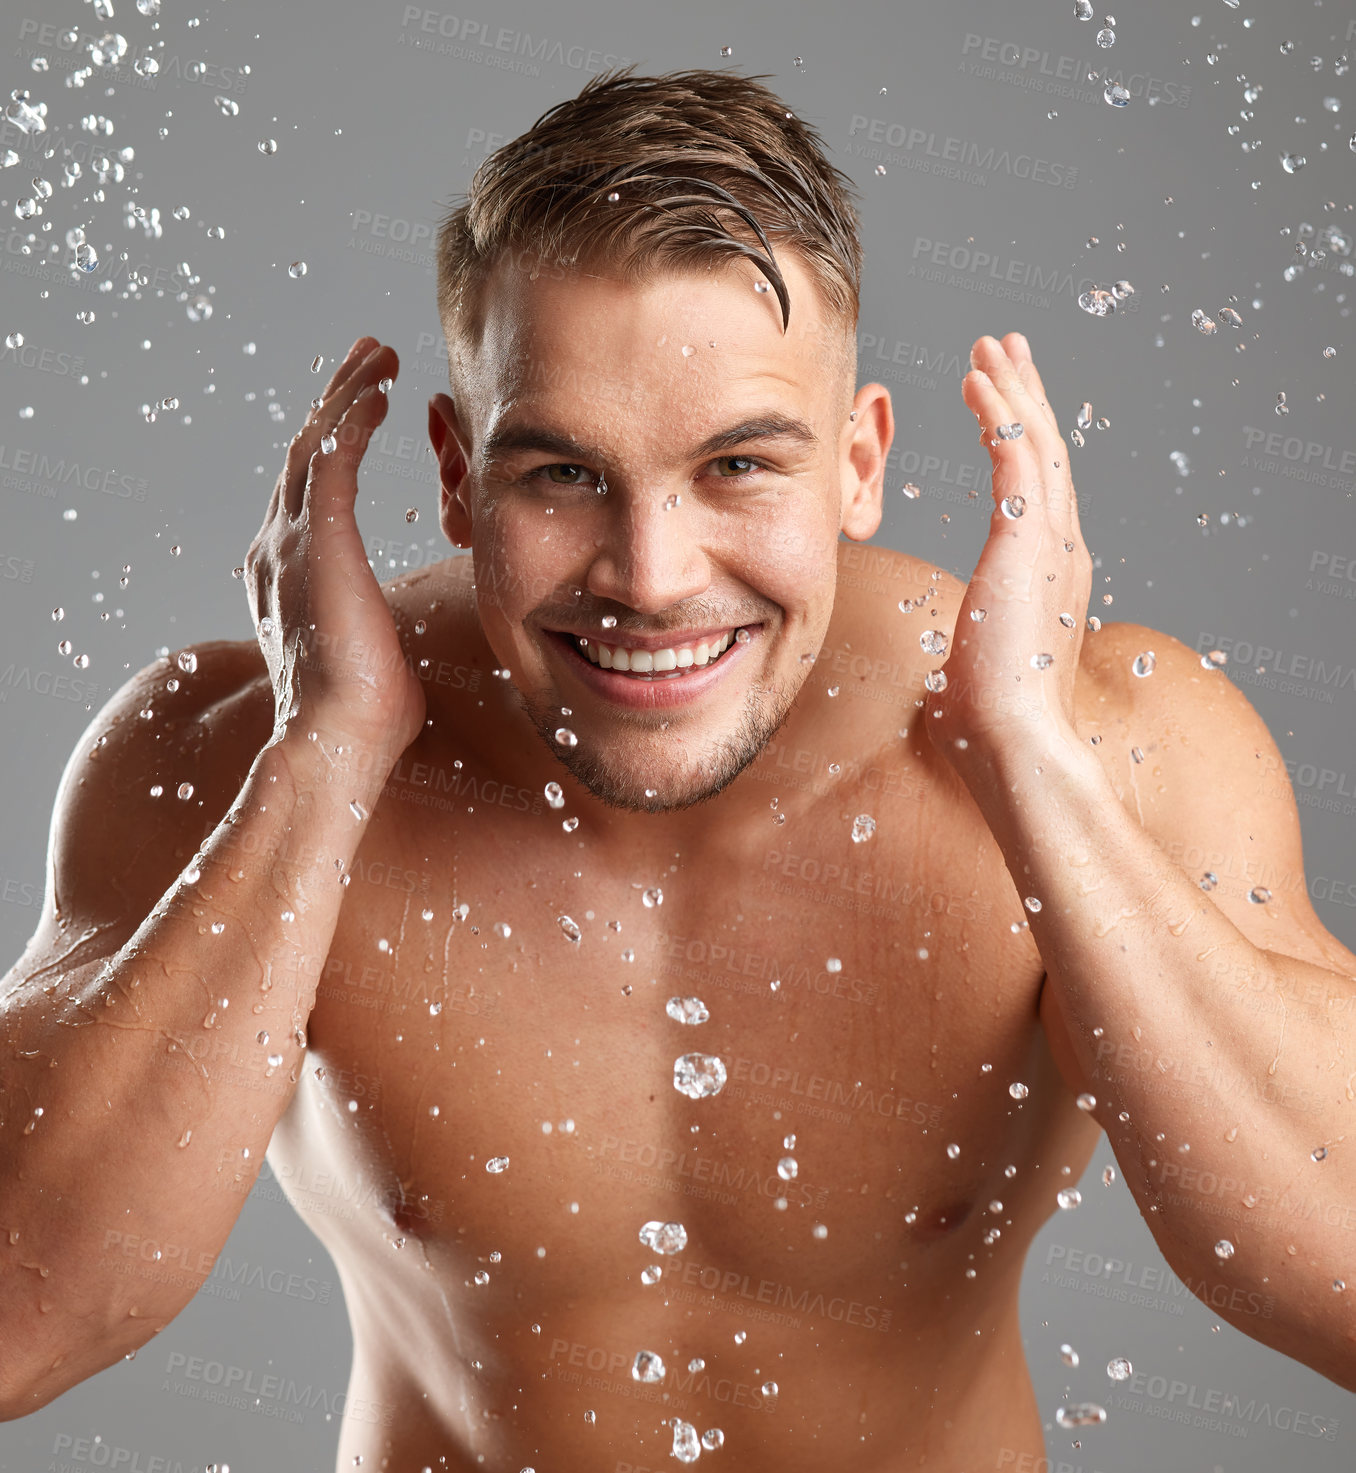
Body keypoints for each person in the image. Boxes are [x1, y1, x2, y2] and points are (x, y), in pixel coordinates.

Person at [1, 63, 1353, 1471]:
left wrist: (1029, 761)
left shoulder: (1108, 738)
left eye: (739, 468)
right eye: (563, 474)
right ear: (458, 474)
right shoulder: (233, 757)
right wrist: (325, 756)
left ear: (858, 459)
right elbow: (21, 1319)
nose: (652, 579)